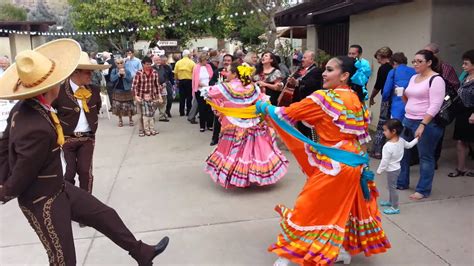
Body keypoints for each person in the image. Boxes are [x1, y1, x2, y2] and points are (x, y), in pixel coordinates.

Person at [0, 38, 169, 265]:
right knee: (63, 260)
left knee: (105, 215)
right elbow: (22, 173)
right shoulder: (35, 126)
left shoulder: (26, 107)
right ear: (53, 86)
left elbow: (3, 145)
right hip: (42, 201)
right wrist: (4, 190)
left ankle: (142, 253)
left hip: (58, 187)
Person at [256, 56, 389, 265]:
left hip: (335, 165)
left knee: (308, 206)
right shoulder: (357, 100)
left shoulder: (324, 98)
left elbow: (286, 114)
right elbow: (361, 138)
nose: (324, 74)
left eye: (329, 70)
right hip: (353, 162)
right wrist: (364, 165)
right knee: (340, 208)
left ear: (344, 76)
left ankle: (289, 255)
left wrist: (264, 107)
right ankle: (340, 250)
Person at [200, 62, 288, 188]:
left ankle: (235, 175)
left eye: (228, 71)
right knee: (252, 151)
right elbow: (262, 100)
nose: (226, 73)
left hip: (233, 123)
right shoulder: (252, 87)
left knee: (232, 150)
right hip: (252, 122)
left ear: (235, 73)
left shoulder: (226, 87)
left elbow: (208, 93)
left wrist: (205, 88)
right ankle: (252, 175)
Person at [52, 51, 109, 196]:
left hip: (87, 138)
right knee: (68, 174)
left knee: (85, 172)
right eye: (87, 73)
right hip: (66, 139)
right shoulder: (59, 91)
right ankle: (67, 202)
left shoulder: (94, 91)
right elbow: (50, 111)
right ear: (75, 73)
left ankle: (86, 204)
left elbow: (96, 107)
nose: (90, 75)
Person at [397, 50, 445, 200]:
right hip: (408, 119)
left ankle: (423, 189)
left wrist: (423, 124)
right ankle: (402, 182)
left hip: (426, 123)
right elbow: (409, 100)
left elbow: (435, 105)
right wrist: (402, 94)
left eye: (419, 61)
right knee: (403, 153)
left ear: (429, 62)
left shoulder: (436, 80)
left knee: (425, 156)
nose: (415, 64)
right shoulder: (414, 77)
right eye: (414, 61)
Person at [424, 43, 460, 168]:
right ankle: (422, 157)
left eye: (427, 52)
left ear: (435, 54)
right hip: (424, 105)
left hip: (441, 106)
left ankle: (434, 159)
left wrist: (441, 85)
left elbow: (455, 86)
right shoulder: (422, 67)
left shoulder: (446, 68)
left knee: (437, 132)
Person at [376, 119, 418, 215]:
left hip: (391, 170)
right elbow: (409, 145)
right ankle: (391, 202)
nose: (384, 132)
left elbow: (385, 160)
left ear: (393, 131)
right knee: (392, 187)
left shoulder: (387, 146)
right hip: (397, 168)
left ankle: (394, 207)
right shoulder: (401, 141)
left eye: (386, 130)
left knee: (392, 188)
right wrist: (417, 139)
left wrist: (379, 170)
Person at [286, 50, 323, 139]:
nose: (302, 59)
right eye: (302, 57)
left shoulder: (317, 70)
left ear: (312, 59)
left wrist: (298, 82)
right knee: (300, 127)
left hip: (308, 103)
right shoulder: (299, 70)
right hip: (298, 102)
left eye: (304, 58)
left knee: (309, 127)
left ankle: (312, 146)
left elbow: (312, 83)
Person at [449, 50, 474, 177]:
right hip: (462, 112)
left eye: (466, 63)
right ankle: (461, 168)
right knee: (461, 141)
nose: (463, 66)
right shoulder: (466, 77)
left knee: (467, 140)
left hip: (471, 112)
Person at [370, 47, 393, 159]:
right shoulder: (395, 67)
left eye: (378, 58)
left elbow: (378, 85)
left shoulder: (383, 68)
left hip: (386, 100)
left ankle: (377, 151)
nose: (378, 61)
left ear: (382, 56)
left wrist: (372, 97)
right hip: (396, 100)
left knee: (382, 125)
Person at [132, 57, 163, 137]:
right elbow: (134, 86)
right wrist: (135, 96)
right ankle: (141, 130)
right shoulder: (139, 73)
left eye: (150, 64)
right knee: (141, 115)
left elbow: (157, 85)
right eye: (147, 64)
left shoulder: (154, 72)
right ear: (143, 64)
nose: (149, 66)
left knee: (151, 114)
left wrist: (159, 96)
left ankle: (151, 129)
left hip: (151, 97)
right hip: (141, 96)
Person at [381, 52, 417, 120]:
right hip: (412, 107)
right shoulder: (414, 71)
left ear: (394, 62)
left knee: (395, 127)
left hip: (397, 106)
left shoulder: (393, 72)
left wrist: (385, 99)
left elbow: (386, 91)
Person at [209, 54, 233, 146]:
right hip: (221, 99)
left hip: (232, 99)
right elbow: (210, 82)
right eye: (225, 60)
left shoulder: (235, 72)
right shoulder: (218, 71)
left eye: (228, 60)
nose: (226, 62)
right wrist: (217, 83)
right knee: (218, 118)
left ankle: (230, 139)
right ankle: (215, 138)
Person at [192, 52, 215, 132]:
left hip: (209, 89)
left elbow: (212, 77)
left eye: (207, 60)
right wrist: (200, 84)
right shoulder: (196, 67)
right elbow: (195, 79)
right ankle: (202, 126)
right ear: (201, 60)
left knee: (209, 108)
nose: (207, 61)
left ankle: (210, 125)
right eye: (205, 60)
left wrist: (210, 84)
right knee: (202, 108)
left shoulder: (209, 66)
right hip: (200, 90)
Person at [110, 58, 135, 127]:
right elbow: (112, 79)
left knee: (129, 106)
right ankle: (120, 120)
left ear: (123, 64)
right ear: (116, 64)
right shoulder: (114, 70)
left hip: (126, 90)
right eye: (118, 63)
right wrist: (118, 74)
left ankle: (131, 119)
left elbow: (130, 80)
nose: (120, 64)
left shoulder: (127, 71)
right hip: (117, 90)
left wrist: (125, 76)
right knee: (118, 107)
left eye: (121, 63)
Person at [174, 49, 195, 116]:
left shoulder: (178, 63)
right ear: (188, 55)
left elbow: (175, 73)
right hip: (189, 81)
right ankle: (188, 111)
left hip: (181, 81)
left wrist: (176, 80)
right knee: (189, 97)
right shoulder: (192, 62)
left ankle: (181, 112)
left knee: (182, 97)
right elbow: (194, 73)